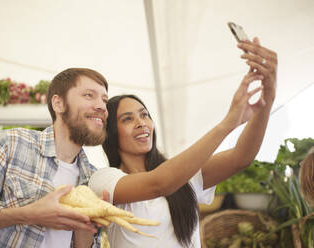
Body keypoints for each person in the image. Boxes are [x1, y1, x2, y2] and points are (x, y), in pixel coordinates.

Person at [89, 38, 278, 247]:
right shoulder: (104, 180)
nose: (141, 123)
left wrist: (267, 99)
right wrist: (227, 124)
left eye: (144, 115)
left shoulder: (183, 176)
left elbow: (240, 157)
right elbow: (158, 184)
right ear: (112, 133)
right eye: (127, 119)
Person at [0, 68, 110, 248]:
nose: (101, 106)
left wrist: (86, 227)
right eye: (89, 95)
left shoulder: (92, 179)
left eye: (104, 100)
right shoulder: (11, 144)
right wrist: (30, 214)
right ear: (58, 103)